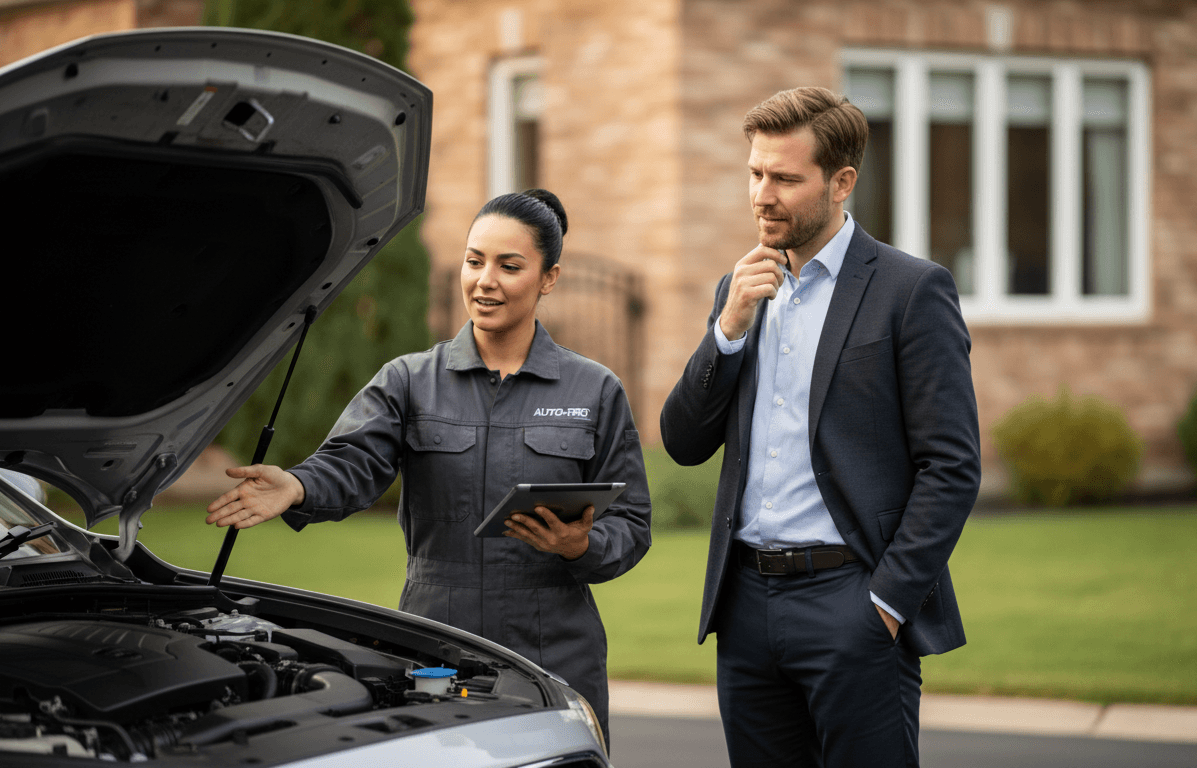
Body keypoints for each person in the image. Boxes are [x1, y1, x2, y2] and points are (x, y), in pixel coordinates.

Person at [205, 189, 652, 746]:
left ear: (549, 278)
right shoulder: (410, 380)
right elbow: (352, 462)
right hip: (435, 644)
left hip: (554, 650)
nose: (485, 281)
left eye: (509, 266)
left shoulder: (595, 390)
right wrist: (297, 484)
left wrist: (580, 545)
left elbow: (631, 522)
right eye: (474, 261)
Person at [660, 87, 980, 767]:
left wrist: (886, 604)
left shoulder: (909, 291)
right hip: (745, 607)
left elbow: (952, 467)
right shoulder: (740, 291)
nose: (762, 195)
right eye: (755, 174)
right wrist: (726, 330)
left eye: (784, 178)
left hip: (852, 603)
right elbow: (683, 443)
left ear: (841, 182)